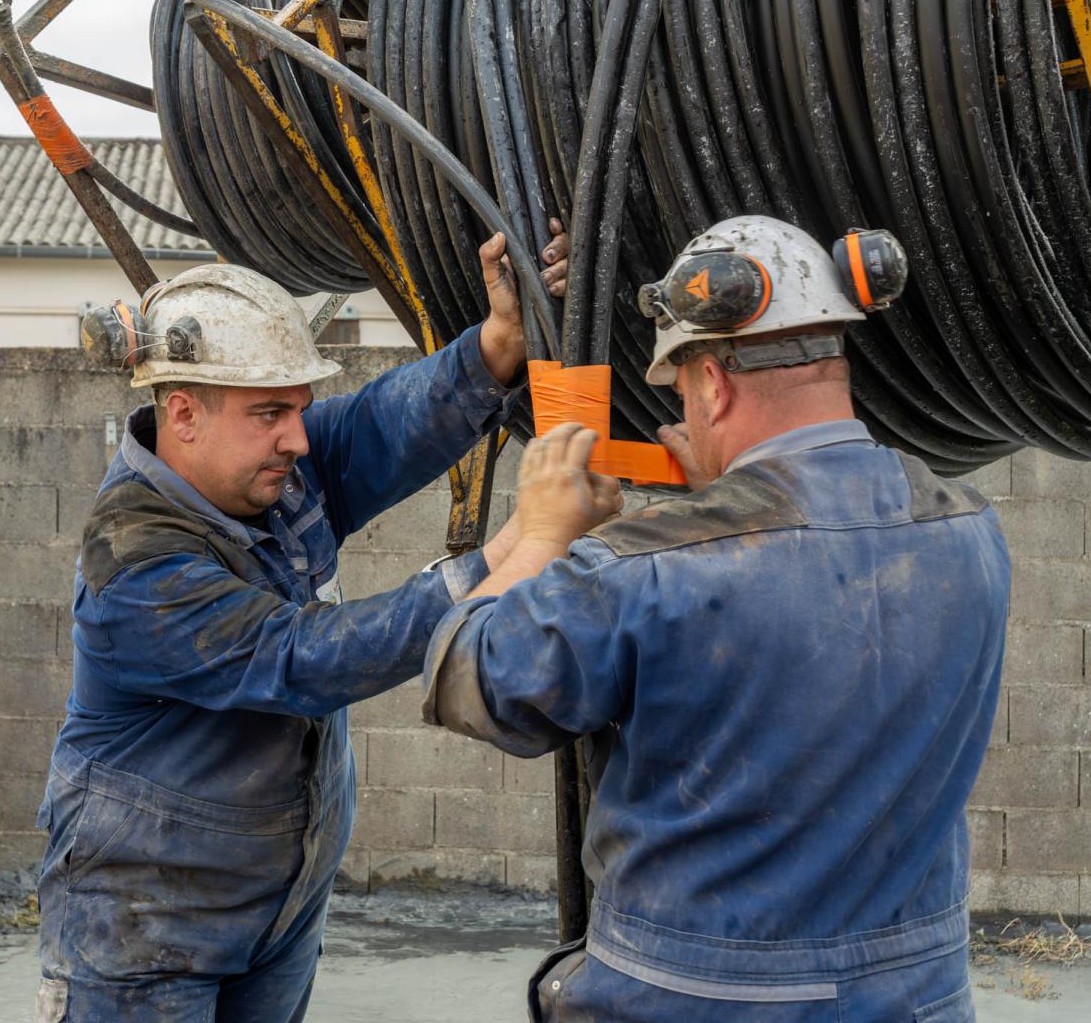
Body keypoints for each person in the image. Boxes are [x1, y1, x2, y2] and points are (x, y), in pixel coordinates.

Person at [422, 215, 1011, 1022]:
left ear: (712, 384)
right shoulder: (967, 527)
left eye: (684, 393)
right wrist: (732, 495)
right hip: (915, 994)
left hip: (697, 996)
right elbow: (809, 580)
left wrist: (541, 534)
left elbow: (472, 678)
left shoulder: (651, 567)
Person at [34, 224, 586, 1022]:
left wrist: (500, 342)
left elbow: (379, 426)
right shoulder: (135, 562)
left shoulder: (263, 471)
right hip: (143, 929)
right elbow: (304, 660)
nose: (295, 436)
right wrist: (516, 545)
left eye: (298, 407)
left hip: (275, 905)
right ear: (183, 413)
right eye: (269, 413)